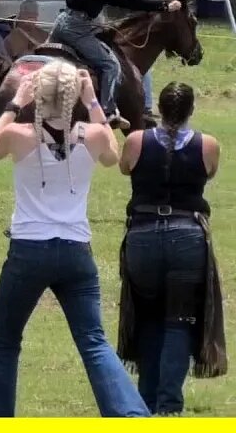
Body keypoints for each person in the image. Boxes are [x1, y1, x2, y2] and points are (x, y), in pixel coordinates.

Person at [0, 59, 149, 417]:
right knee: (94, 341)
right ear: (75, 96)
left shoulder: (20, 136)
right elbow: (112, 156)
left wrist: (14, 104)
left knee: (5, 344)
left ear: (37, 95)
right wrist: (93, 101)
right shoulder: (95, 134)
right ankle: (131, 416)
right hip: (75, 251)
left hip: (28, 250)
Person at [116, 82, 226, 415]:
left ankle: (144, 403)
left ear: (159, 109)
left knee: (147, 318)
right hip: (187, 235)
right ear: (191, 110)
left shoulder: (136, 141)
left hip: (144, 234)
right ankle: (169, 406)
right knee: (179, 321)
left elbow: (124, 167)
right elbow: (209, 173)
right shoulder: (208, 145)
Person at [52, 0, 182, 130]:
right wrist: (164, 6)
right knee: (110, 65)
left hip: (63, 22)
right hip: (78, 29)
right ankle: (108, 110)